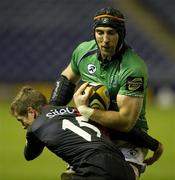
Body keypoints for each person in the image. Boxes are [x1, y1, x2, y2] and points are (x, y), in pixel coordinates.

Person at [49, 6, 163, 179]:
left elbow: (125, 122)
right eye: (100, 32)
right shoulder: (83, 52)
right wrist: (50, 113)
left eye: (111, 33)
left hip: (129, 141)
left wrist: (86, 111)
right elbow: (66, 79)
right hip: (95, 135)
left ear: (121, 34)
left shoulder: (133, 68)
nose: (105, 40)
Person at [10, 85, 136, 180]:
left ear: (31, 112)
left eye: (21, 120)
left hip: (94, 169)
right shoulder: (76, 110)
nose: (23, 126)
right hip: (124, 168)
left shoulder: (35, 128)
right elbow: (118, 127)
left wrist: (32, 131)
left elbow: (29, 155)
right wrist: (154, 145)